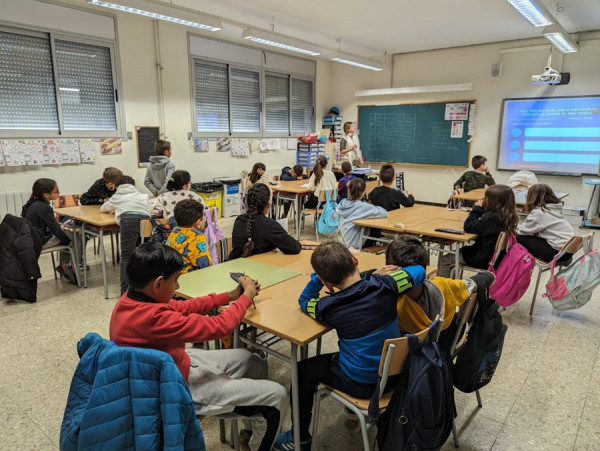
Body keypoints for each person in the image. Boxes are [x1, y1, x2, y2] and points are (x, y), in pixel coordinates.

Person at [109, 242, 288, 451]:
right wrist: (246, 297)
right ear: (158, 284)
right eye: (175, 281)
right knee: (278, 395)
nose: (177, 287)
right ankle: (260, 442)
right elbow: (221, 326)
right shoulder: (155, 318)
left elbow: (184, 306)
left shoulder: (132, 298)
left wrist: (230, 296)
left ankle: (249, 432)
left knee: (253, 360)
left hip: (173, 366)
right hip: (173, 389)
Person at [274, 241, 425, 450]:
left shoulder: (328, 306)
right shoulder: (388, 284)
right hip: (395, 377)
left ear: (327, 282)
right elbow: (419, 269)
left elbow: (304, 300)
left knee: (301, 371)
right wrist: (374, 276)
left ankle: (300, 437)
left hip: (361, 383)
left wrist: (317, 281)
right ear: (355, 261)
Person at [385, 236, 494, 354]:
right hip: (442, 350)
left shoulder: (390, 303)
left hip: (406, 360)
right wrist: (491, 276)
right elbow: (476, 282)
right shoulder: (442, 286)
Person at [437, 184, 518, 278]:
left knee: (445, 259)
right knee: (458, 252)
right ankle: (452, 283)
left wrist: (477, 209)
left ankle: (443, 289)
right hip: (496, 257)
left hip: (482, 257)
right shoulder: (508, 216)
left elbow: (468, 227)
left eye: (486, 198)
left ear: (492, 201)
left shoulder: (492, 219)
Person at [100, 175, 150, 294]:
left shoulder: (117, 196)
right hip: (145, 221)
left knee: (127, 256)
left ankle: (125, 291)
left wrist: (115, 209)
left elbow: (103, 208)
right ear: (133, 185)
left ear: (116, 187)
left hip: (129, 220)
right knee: (144, 254)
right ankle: (145, 287)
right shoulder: (143, 195)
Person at [22, 178, 77, 284]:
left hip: (34, 238)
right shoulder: (44, 207)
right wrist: (67, 242)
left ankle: (65, 265)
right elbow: (55, 228)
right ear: (46, 195)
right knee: (74, 236)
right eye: (56, 191)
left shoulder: (35, 203)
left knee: (68, 232)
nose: (59, 193)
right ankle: (69, 266)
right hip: (40, 241)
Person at [230, 183, 301, 259]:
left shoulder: (239, 220)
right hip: (260, 268)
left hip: (235, 266)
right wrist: (284, 235)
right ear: (269, 204)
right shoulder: (270, 225)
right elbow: (295, 247)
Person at [517, 183, 574, 262]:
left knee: (516, 237)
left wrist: (511, 226)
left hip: (557, 253)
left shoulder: (540, 212)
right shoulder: (554, 207)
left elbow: (522, 231)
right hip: (568, 250)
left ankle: (516, 264)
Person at [337, 178, 387, 249]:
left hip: (345, 241)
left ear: (348, 191)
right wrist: (371, 206)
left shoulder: (342, 203)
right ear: (363, 193)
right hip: (357, 243)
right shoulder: (362, 206)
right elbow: (384, 212)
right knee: (375, 230)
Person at [166, 199, 212, 273]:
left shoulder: (175, 231)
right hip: (190, 279)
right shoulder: (197, 237)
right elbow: (205, 265)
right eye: (203, 219)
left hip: (171, 276)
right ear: (198, 223)